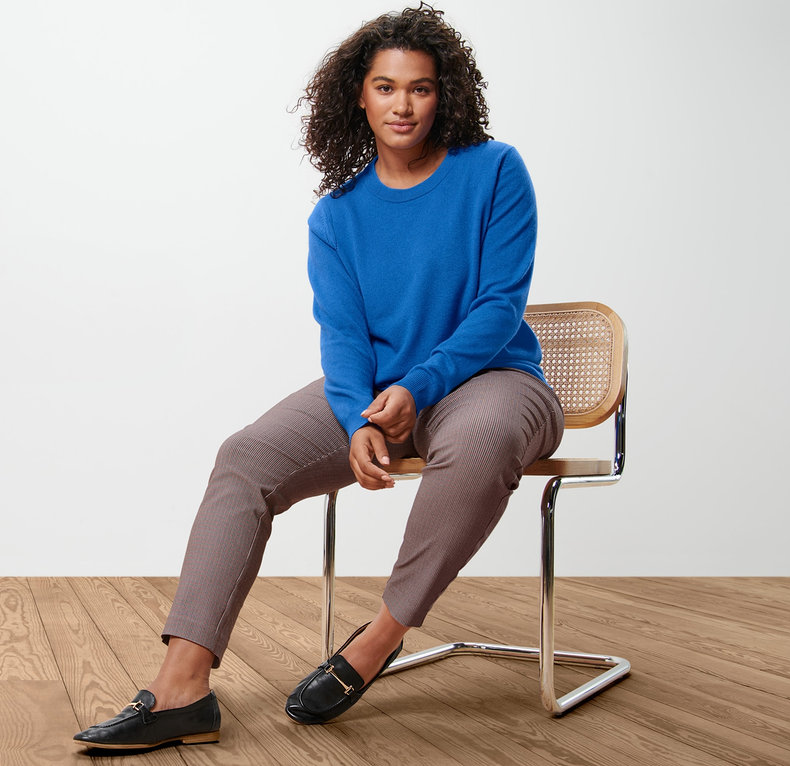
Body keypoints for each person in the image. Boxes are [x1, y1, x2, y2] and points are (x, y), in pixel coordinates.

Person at [73, 3, 563, 751]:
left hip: (494, 380)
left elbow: (498, 309)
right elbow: (342, 337)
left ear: (446, 95)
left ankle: (380, 637)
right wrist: (358, 414)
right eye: (386, 86)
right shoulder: (337, 215)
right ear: (358, 97)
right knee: (245, 457)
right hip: (381, 395)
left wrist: (417, 388)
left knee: (484, 435)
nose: (404, 104)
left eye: (421, 88)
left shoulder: (495, 171)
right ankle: (182, 686)